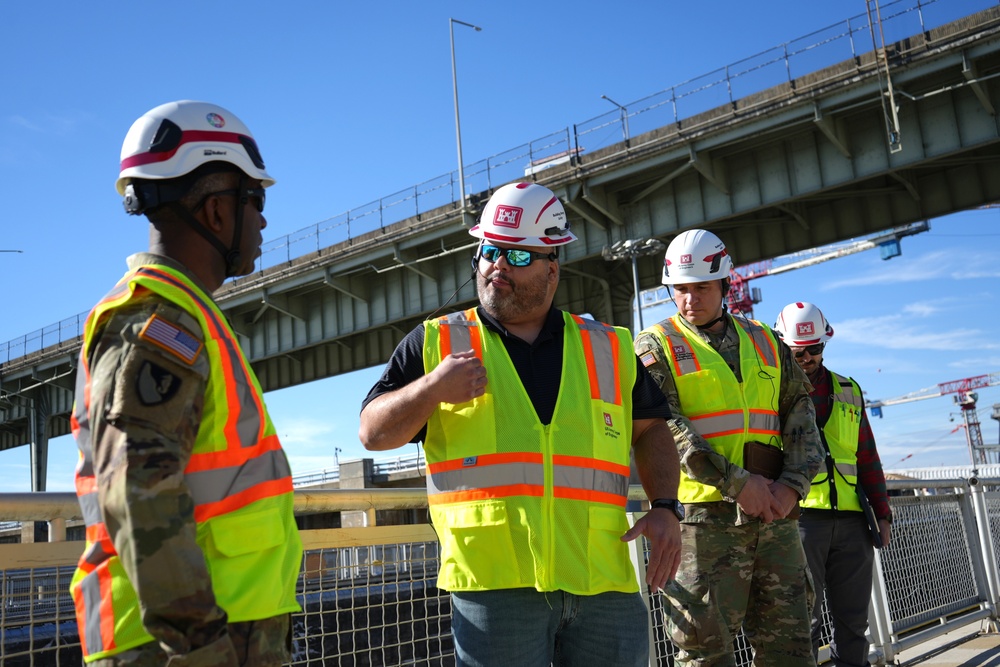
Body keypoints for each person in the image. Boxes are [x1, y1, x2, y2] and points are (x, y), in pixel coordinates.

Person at [358, 181, 683, 667]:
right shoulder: (435, 344)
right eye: (489, 251)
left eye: (518, 256)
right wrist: (430, 390)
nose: (497, 267)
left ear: (553, 267)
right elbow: (372, 432)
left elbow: (652, 428)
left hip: (603, 581)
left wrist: (665, 506)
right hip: (494, 589)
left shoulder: (609, 347)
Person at [69, 100, 302, 666]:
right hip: (184, 645)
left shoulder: (187, 316)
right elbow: (138, 491)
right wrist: (199, 646)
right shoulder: (161, 322)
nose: (264, 220)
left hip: (219, 631)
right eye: (257, 201)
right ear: (218, 211)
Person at [633, 228, 824, 666]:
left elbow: (800, 412)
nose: (689, 299)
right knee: (703, 652)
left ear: (724, 284)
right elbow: (668, 428)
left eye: (701, 287)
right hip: (704, 523)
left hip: (776, 516)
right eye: (679, 289)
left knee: (791, 649)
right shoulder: (654, 345)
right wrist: (738, 484)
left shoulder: (766, 340)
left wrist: (792, 485)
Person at [773, 301, 893, 667]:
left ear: (826, 342)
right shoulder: (771, 392)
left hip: (853, 521)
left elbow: (867, 457)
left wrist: (883, 513)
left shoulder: (848, 389)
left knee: (853, 623)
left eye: (814, 349)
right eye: (798, 351)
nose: (807, 358)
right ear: (782, 345)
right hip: (799, 521)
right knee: (801, 624)